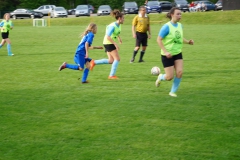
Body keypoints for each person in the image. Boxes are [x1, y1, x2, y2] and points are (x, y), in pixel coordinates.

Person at [155, 7, 194, 97]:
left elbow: (179, 38)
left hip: (177, 53)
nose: (180, 16)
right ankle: (160, 77)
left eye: (180, 14)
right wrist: (165, 51)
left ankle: (172, 92)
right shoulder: (166, 27)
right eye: (178, 14)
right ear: (172, 15)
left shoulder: (180, 26)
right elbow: (158, 40)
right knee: (169, 77)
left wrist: (188, 42)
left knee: (180, 72)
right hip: (167, 55)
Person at [90, 9, 124, 79]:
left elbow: (116, 33)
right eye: (123, 18)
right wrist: (115, 44)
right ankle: (111, 75)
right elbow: (108, 36)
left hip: (108, 43)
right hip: (108, 43)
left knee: (111, 60)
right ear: (120, 18)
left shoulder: (119, 25)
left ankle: (94, 62)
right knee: (117, 59)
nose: (124, 20)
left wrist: (119, 38)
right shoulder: (112, 26)